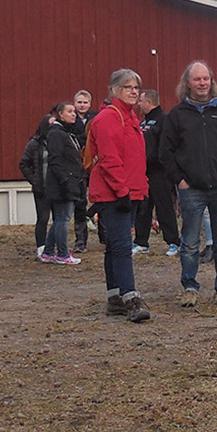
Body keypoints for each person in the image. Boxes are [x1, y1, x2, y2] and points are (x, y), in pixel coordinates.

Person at [159, 60, 217, 308]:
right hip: (191, 190)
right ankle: (189, 287)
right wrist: (180, 181)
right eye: (197, 79)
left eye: (205, 79)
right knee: (189, 242)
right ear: (188, 83)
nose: (202, 83)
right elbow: (166, 152)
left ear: (211, 81)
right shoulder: (176, 115)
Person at [85, 70, 150, 321]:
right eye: (127, 87)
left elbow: (135, 160)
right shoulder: (109, 118)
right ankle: (131, 298)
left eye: (136, 87)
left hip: (128, 190)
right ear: (114, 89)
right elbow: (110, 159)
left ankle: (115, 297)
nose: (133, 91)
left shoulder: (129, 117)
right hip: (114, 193)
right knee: (122, 246)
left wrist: (140, 191)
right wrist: (123, 192)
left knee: (114, 246)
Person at [133, 89, 180, 256]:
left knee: (164, 207)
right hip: (143, 172)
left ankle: (174, 241)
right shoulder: (142, 123)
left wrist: (156, 160)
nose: (138, 104)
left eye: (141, 101)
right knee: (143, 207)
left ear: (149, 103)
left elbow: (165, 147)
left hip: (160, 172)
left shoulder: (163, 120)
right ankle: (141, 242)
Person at [40, 101, 84, 266]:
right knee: (63, 218)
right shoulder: (56, 134)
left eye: (74, 111)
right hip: (62, 183)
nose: (74, 114)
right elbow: (55, 159)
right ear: (60, 114)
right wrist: (65, 180)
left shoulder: (67, 132)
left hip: (69, 179)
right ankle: (63, 253)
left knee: (60, 218)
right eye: (70, 111)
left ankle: (49, 251)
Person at [19, 109, 58, 257]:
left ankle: (54, 246)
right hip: (41, 188)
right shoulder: (34, 143)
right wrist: (34, 180)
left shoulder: (58, 141)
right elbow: (23, 164)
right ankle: (41, 246)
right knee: (42, 218)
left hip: (56, 187)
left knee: (58, 218)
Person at [72, 89, 94, 253]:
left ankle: (105, 237)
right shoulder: (70, 120)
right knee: (80, 204)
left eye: (85, 102)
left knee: (102, 201)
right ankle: (81, 241)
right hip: (77, 167)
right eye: (79, 102)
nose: (82, 105)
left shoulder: (95, 118)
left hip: (94, 165)